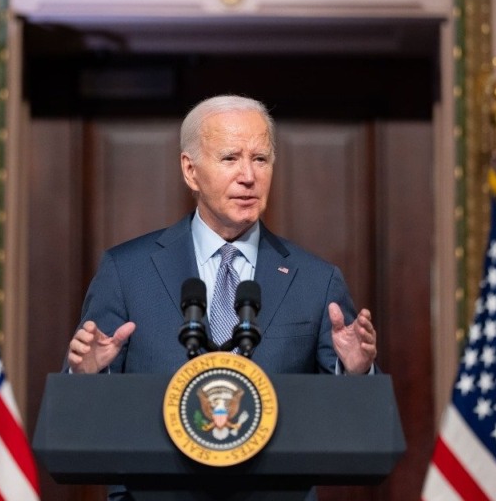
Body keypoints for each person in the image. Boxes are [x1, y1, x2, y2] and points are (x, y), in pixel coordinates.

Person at [66, 94, 377, 376]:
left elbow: (346, 413)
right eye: (230, 158)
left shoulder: (316, 282)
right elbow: (89, 407)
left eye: (260, 159)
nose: (248, 177)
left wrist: (355, 371)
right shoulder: (127, 273)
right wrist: (86, 376)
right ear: (190, 171)